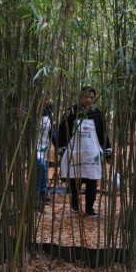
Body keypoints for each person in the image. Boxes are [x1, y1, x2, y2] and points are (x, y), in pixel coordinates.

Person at [57, 86, 112, 217]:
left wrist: (107, 152)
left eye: (92, 97)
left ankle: (89, 207)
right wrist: (63, 149)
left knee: (92, 179)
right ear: (81, 96)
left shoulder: (97, 113)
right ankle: (75, 203)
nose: (89, 100)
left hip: (92, 153)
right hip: (75, 152)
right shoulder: (71, 111)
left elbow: (103, 133)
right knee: (74, 179)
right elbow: (62, 131)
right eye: (86, 97)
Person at [36, 93, 56, 202]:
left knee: (42, 169)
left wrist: (56, 143)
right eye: (44, 99)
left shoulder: (48, 111)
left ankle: (42, 192)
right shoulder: (30, 111)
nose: (47, 102)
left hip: (44, 145)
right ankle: (37, 191)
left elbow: (51, 129)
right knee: (40, 165)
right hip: (33, 145)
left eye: (47, 99)